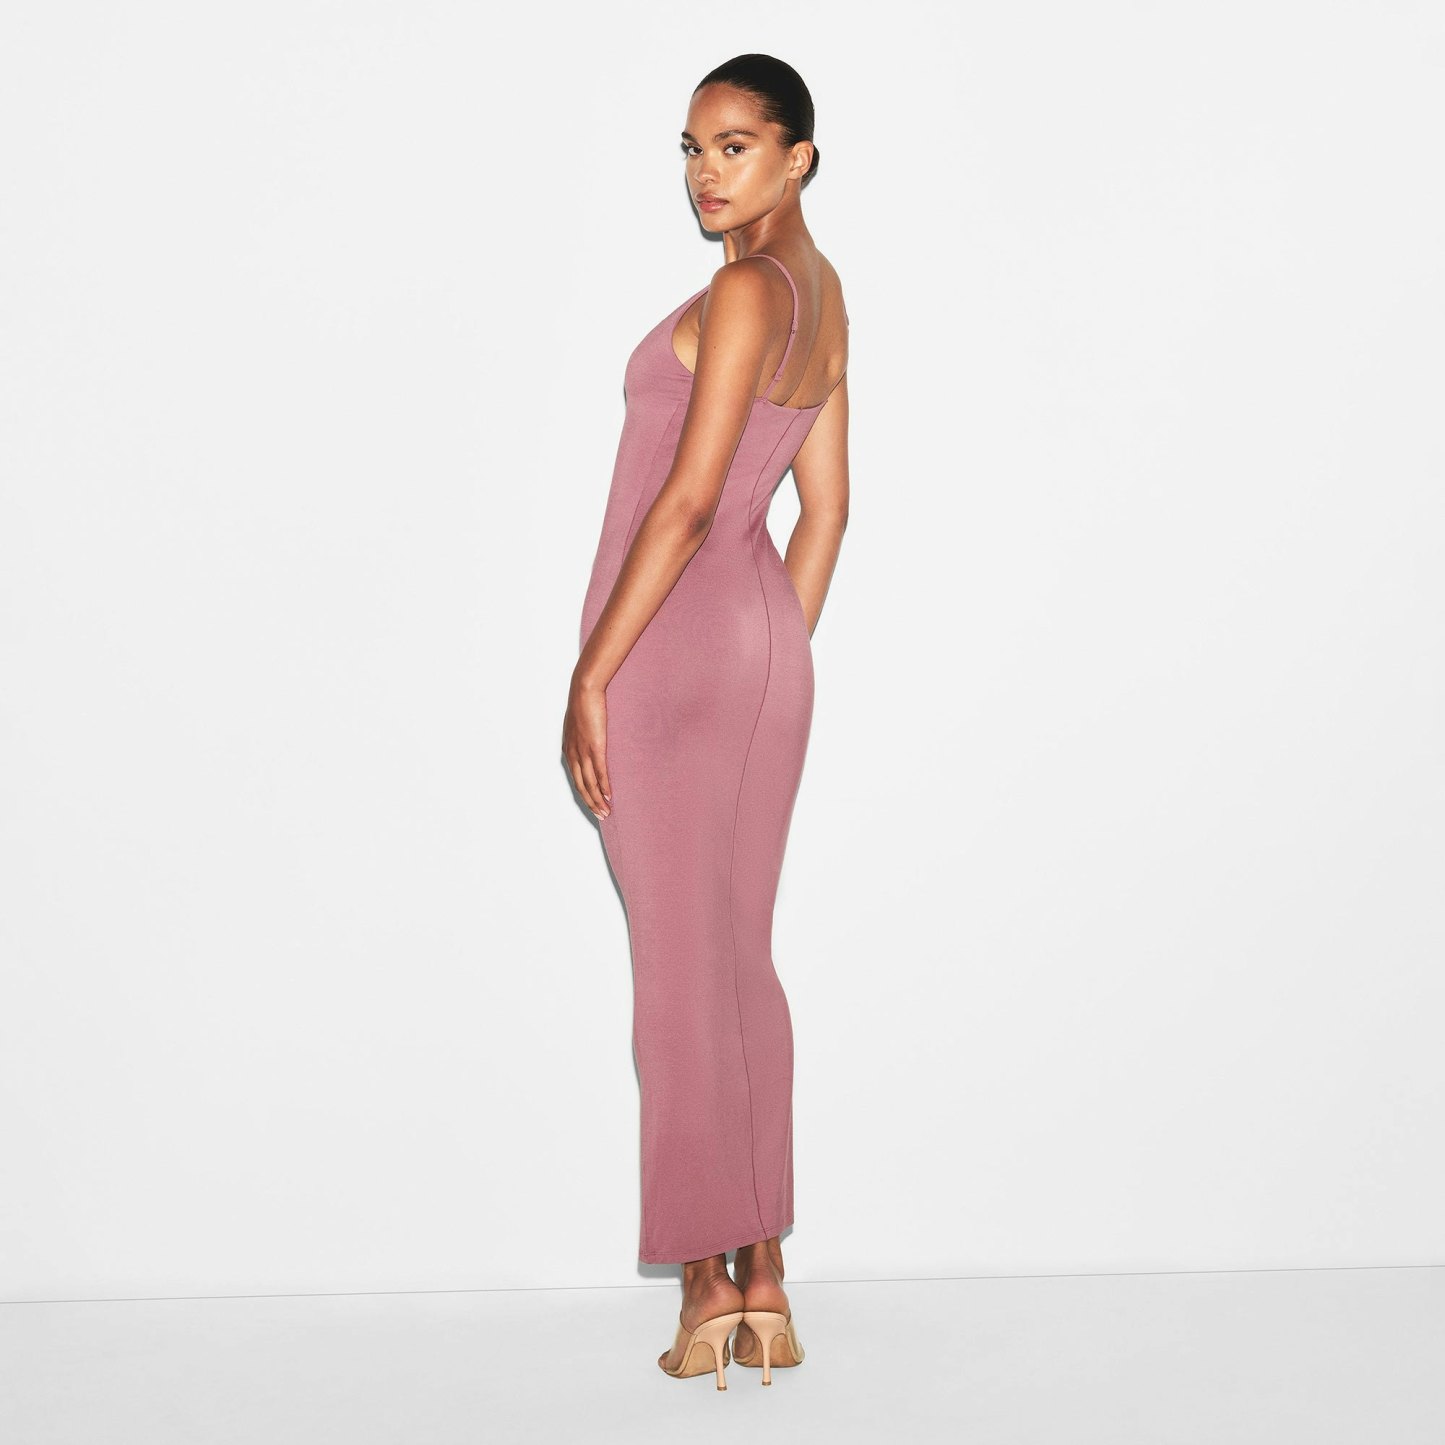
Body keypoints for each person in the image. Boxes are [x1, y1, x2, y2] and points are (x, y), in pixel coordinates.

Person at [563, 52, 849, 1390]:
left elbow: (684, 503)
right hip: (756, 654)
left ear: (798, 156)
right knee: (738, 961)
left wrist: (592, 676)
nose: (704, 173)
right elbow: (824, 511)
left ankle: (701, 1283)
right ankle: (766, 1272)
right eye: (690, 148)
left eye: (734, 145)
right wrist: (769, 644)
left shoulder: (742, 292)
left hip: (670, 653)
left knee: (681, 973)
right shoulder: (823, 295)